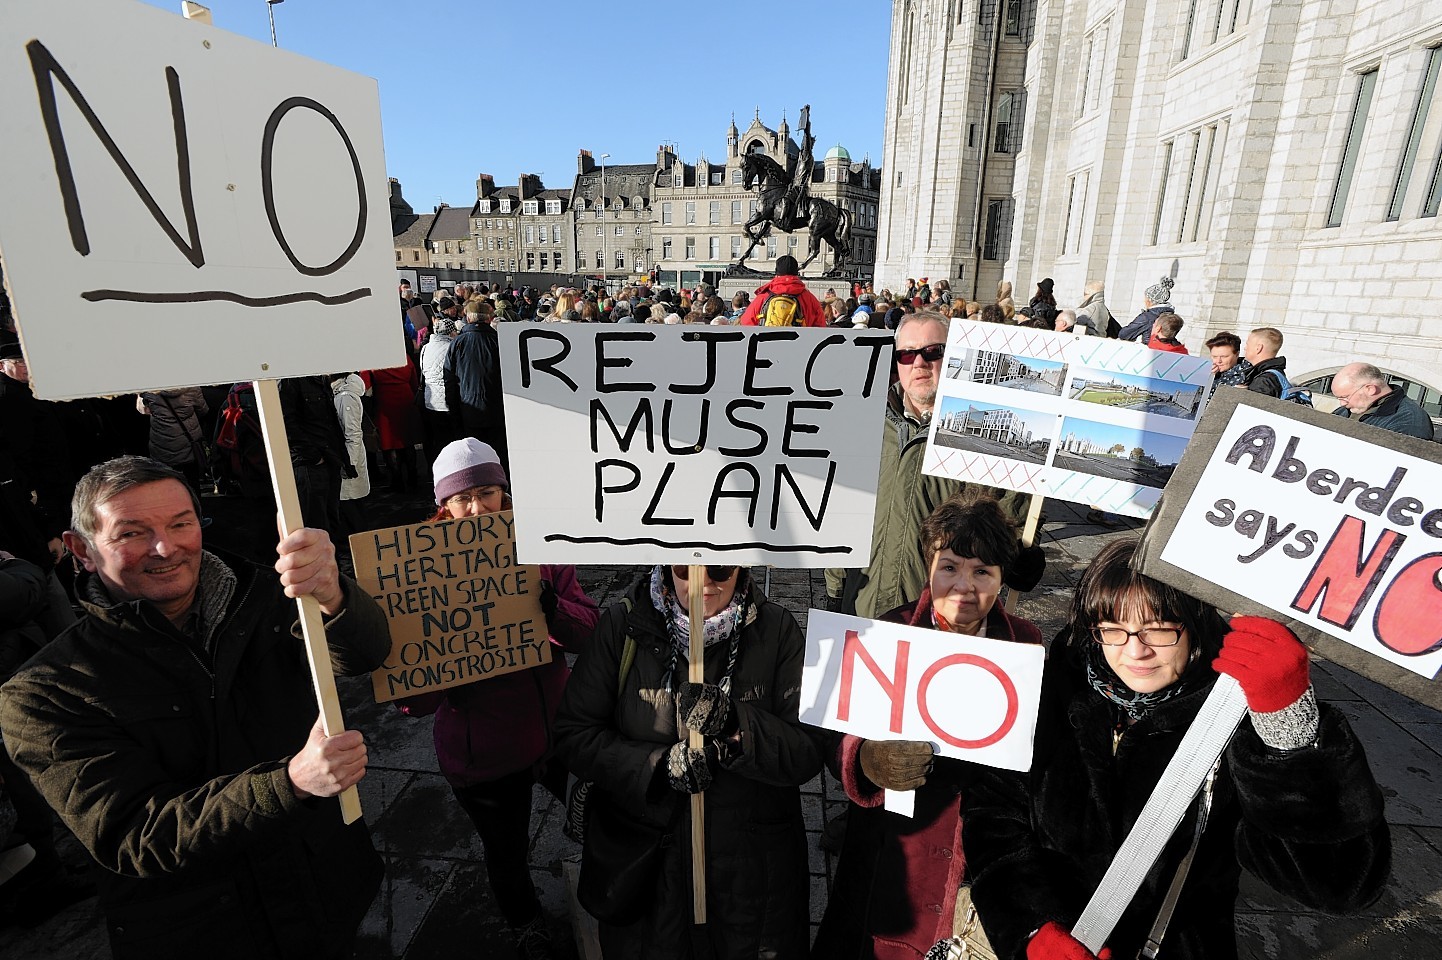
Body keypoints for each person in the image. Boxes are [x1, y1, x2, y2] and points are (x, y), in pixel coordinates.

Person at [0, 456, 390, 960]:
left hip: (326, 892)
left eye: (181, 523)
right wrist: (290, 783)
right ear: (83, 551)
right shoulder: (44, 693)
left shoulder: (267, 596)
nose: (166, 548)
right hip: (202, 931)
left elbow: (365, 655)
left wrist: (333, 594)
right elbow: (133, 834)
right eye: (132, 533)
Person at [959, 538, 1389, 960]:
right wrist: (1031, 927)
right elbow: (993, 818)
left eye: (1159, 629)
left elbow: (1341, 885)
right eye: (1113, 629)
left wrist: (1289, 732)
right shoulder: (1052, 693)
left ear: (1195, 625)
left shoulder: (1236, 719)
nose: (1135, 651)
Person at [811, 494, 1044, 960]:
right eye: (950, 567)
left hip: (974, 866)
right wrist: (865, 758)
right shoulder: (885, 632)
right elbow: (833, 736)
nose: (964, 585)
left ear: (1001, 579)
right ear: (928, 567)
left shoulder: (1027, 646)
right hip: (893, 861)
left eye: (982, 571)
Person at [554, 562, 822, 959]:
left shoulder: (777, 630)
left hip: (750, 875)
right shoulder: (622, 626)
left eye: (719, 568)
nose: (703, 583)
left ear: (743, 566)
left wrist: (736, 726)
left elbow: (807, 751)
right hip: (648, 874)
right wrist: (655, 767)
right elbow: (574, 735)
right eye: (684, 567)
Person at [398, 439, 598, 959]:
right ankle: (526, 923)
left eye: (488, 492)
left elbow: (589, 633)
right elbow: (410, 699)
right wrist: (444, 673)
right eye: (463, 498)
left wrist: (551, 610)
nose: (478, 509)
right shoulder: (418, 569)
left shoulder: (540, 546)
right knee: (505, 849)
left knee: (603, 816)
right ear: (443, 505)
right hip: (481, 753)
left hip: (556, 731)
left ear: (506, 494)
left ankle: (609, 890)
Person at [824, 313, 1028, 619]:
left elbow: (1011, 521)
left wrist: (1019, 559)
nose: (919, 363)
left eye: (933, 352)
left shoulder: (983, 434)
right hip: (863, 609)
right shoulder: (865, 425)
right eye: (907, 354)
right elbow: (843, 516)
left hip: (942, 622)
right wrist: (836, 591)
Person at [444, 298, 509, 470]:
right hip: (496, 408)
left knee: (473, 456)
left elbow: (449, 379)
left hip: (468, 408)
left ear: (469, 318)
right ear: (488, 319)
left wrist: (453, 408)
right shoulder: (498, 342)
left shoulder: (457, 343)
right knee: (497, 454)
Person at [1329, 362, 1435, 440]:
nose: (1342, 403)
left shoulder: (1409, 423)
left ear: (1370, 389)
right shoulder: (1348, 409)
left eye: (1345, 397)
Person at [736, 254, 827, 327]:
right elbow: (820, 328)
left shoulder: (764, 296)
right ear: (796, 273)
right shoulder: (809, 298)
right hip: (799, 347)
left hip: (767, 346)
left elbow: (746, 323)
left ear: (776, 273)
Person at [1117, 275, 1176, 341]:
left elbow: (1124, 334)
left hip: (1149, 349)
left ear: (1150, 300)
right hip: (1162, 350)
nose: (1144, 301)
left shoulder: (1147, 317)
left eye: (1146, 298)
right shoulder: (1171, 316)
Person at [1240, 326, 1291, 398]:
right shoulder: (1276, 375)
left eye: (1248, 344)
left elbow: (1252, 407)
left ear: (1258, 348)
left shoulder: (1264, 381)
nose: (1245, 348)